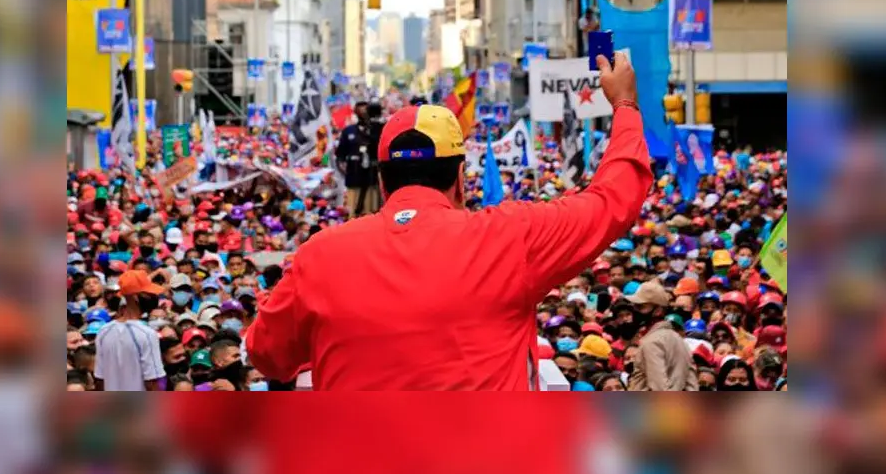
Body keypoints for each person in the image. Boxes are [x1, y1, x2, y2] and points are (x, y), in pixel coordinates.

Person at [247, 52, 652, 391]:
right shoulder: (509, 237)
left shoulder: (319, 256)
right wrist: (625, 107)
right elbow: (612, 200)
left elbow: (267, 354)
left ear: (383, 180)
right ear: (460, 178)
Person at [93, 270, 167, 391]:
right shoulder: (147, 334)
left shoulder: (103, 331)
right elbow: (151, 382)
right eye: (148, 293)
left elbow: (100, 379)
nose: (153, 296)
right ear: (135, 297)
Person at [625, 280, 698, 391]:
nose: (635, 311)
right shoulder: (679, 339)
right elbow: (692, 384)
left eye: (641, 307)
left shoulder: (651, 341)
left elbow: (659, 388)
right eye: (635, 306)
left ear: (658, 310)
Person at [335, 101, 381, 217]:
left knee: (372, 211)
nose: (363, 113)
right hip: (354, 178)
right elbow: (340, 156)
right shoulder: (348, 131)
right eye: (360, 110)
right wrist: (345, 171)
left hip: (372, 179)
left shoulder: (377, 129)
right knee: (354, 212)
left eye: (366, 110)